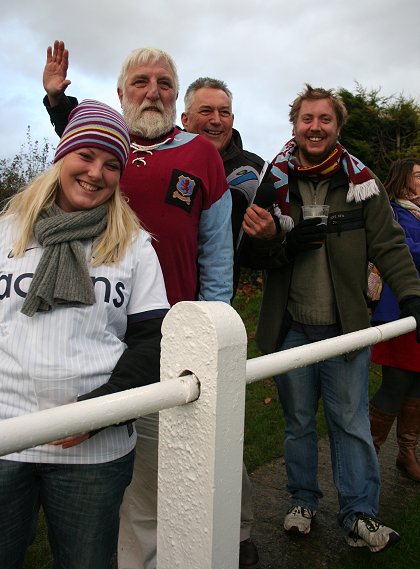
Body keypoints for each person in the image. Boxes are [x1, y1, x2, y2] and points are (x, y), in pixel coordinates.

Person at [42, 41, 234, 569]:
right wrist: (56, 99)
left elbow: (217, 252)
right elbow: (75, 149)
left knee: (159, 471)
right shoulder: (105, 150)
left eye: (165, 83)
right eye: (141, 81)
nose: (153, 91)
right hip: (95, 331)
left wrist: (215, 330)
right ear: (121, 92)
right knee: (100, 472)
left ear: (176, 95)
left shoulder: (201, 154)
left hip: (170, 340)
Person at [242, 84, 420, 553]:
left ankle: (359, 513)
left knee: (350, 423)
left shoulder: (363, 182)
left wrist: (413, 296)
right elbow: (255, 256)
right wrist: (268, 240)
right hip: (292, 328)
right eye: (307, 119)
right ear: (295, 125)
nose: (315, 127)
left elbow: (390, 245)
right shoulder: (272, 181)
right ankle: (302, 501)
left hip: (345, 329)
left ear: (337, 127)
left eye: (325, 119)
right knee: (298, 423)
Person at [0, 100, 170, 569]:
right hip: (6, 434)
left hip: (94, 452)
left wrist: (102, 410)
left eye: (112, 163)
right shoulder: (6, 231)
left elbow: (152, 340)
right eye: (87, 155)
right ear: (63, 155)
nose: (96, 173)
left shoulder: (134, 244)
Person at [181, 76, 282, 568]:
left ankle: (236, 531)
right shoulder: (168, 157)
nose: (215, 119)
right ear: (185, 119)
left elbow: (268, 249)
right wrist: (57, 103)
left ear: (233, 119)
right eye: (205, 111)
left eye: (223, 111)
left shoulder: (251, 171)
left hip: (218, 311)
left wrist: (265, 238)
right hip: (161, 309)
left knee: (220, 423)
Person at [369, 158, 420, 482]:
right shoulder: (392, 212)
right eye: (418, 175)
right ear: (403, 181)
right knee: (396, 382)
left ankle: (407, 452)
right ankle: (368, 455)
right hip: (401, 311)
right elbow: (404, 251)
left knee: (418, 382)